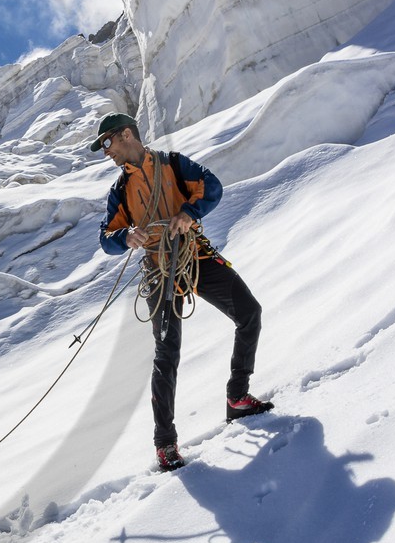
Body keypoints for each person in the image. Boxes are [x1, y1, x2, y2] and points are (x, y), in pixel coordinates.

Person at [91, 112, 273, 471]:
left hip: (195, 255)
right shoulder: (120, 191)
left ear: (127, 134)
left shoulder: (173, 165)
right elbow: (105, 238)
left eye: (108, 143)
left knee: (249, 312)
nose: (106, 152)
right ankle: (165, 443)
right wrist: (124, 236)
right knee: (167, 352)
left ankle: (237, 397)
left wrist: (189, 212)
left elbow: (212, 186)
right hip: (159, 269)